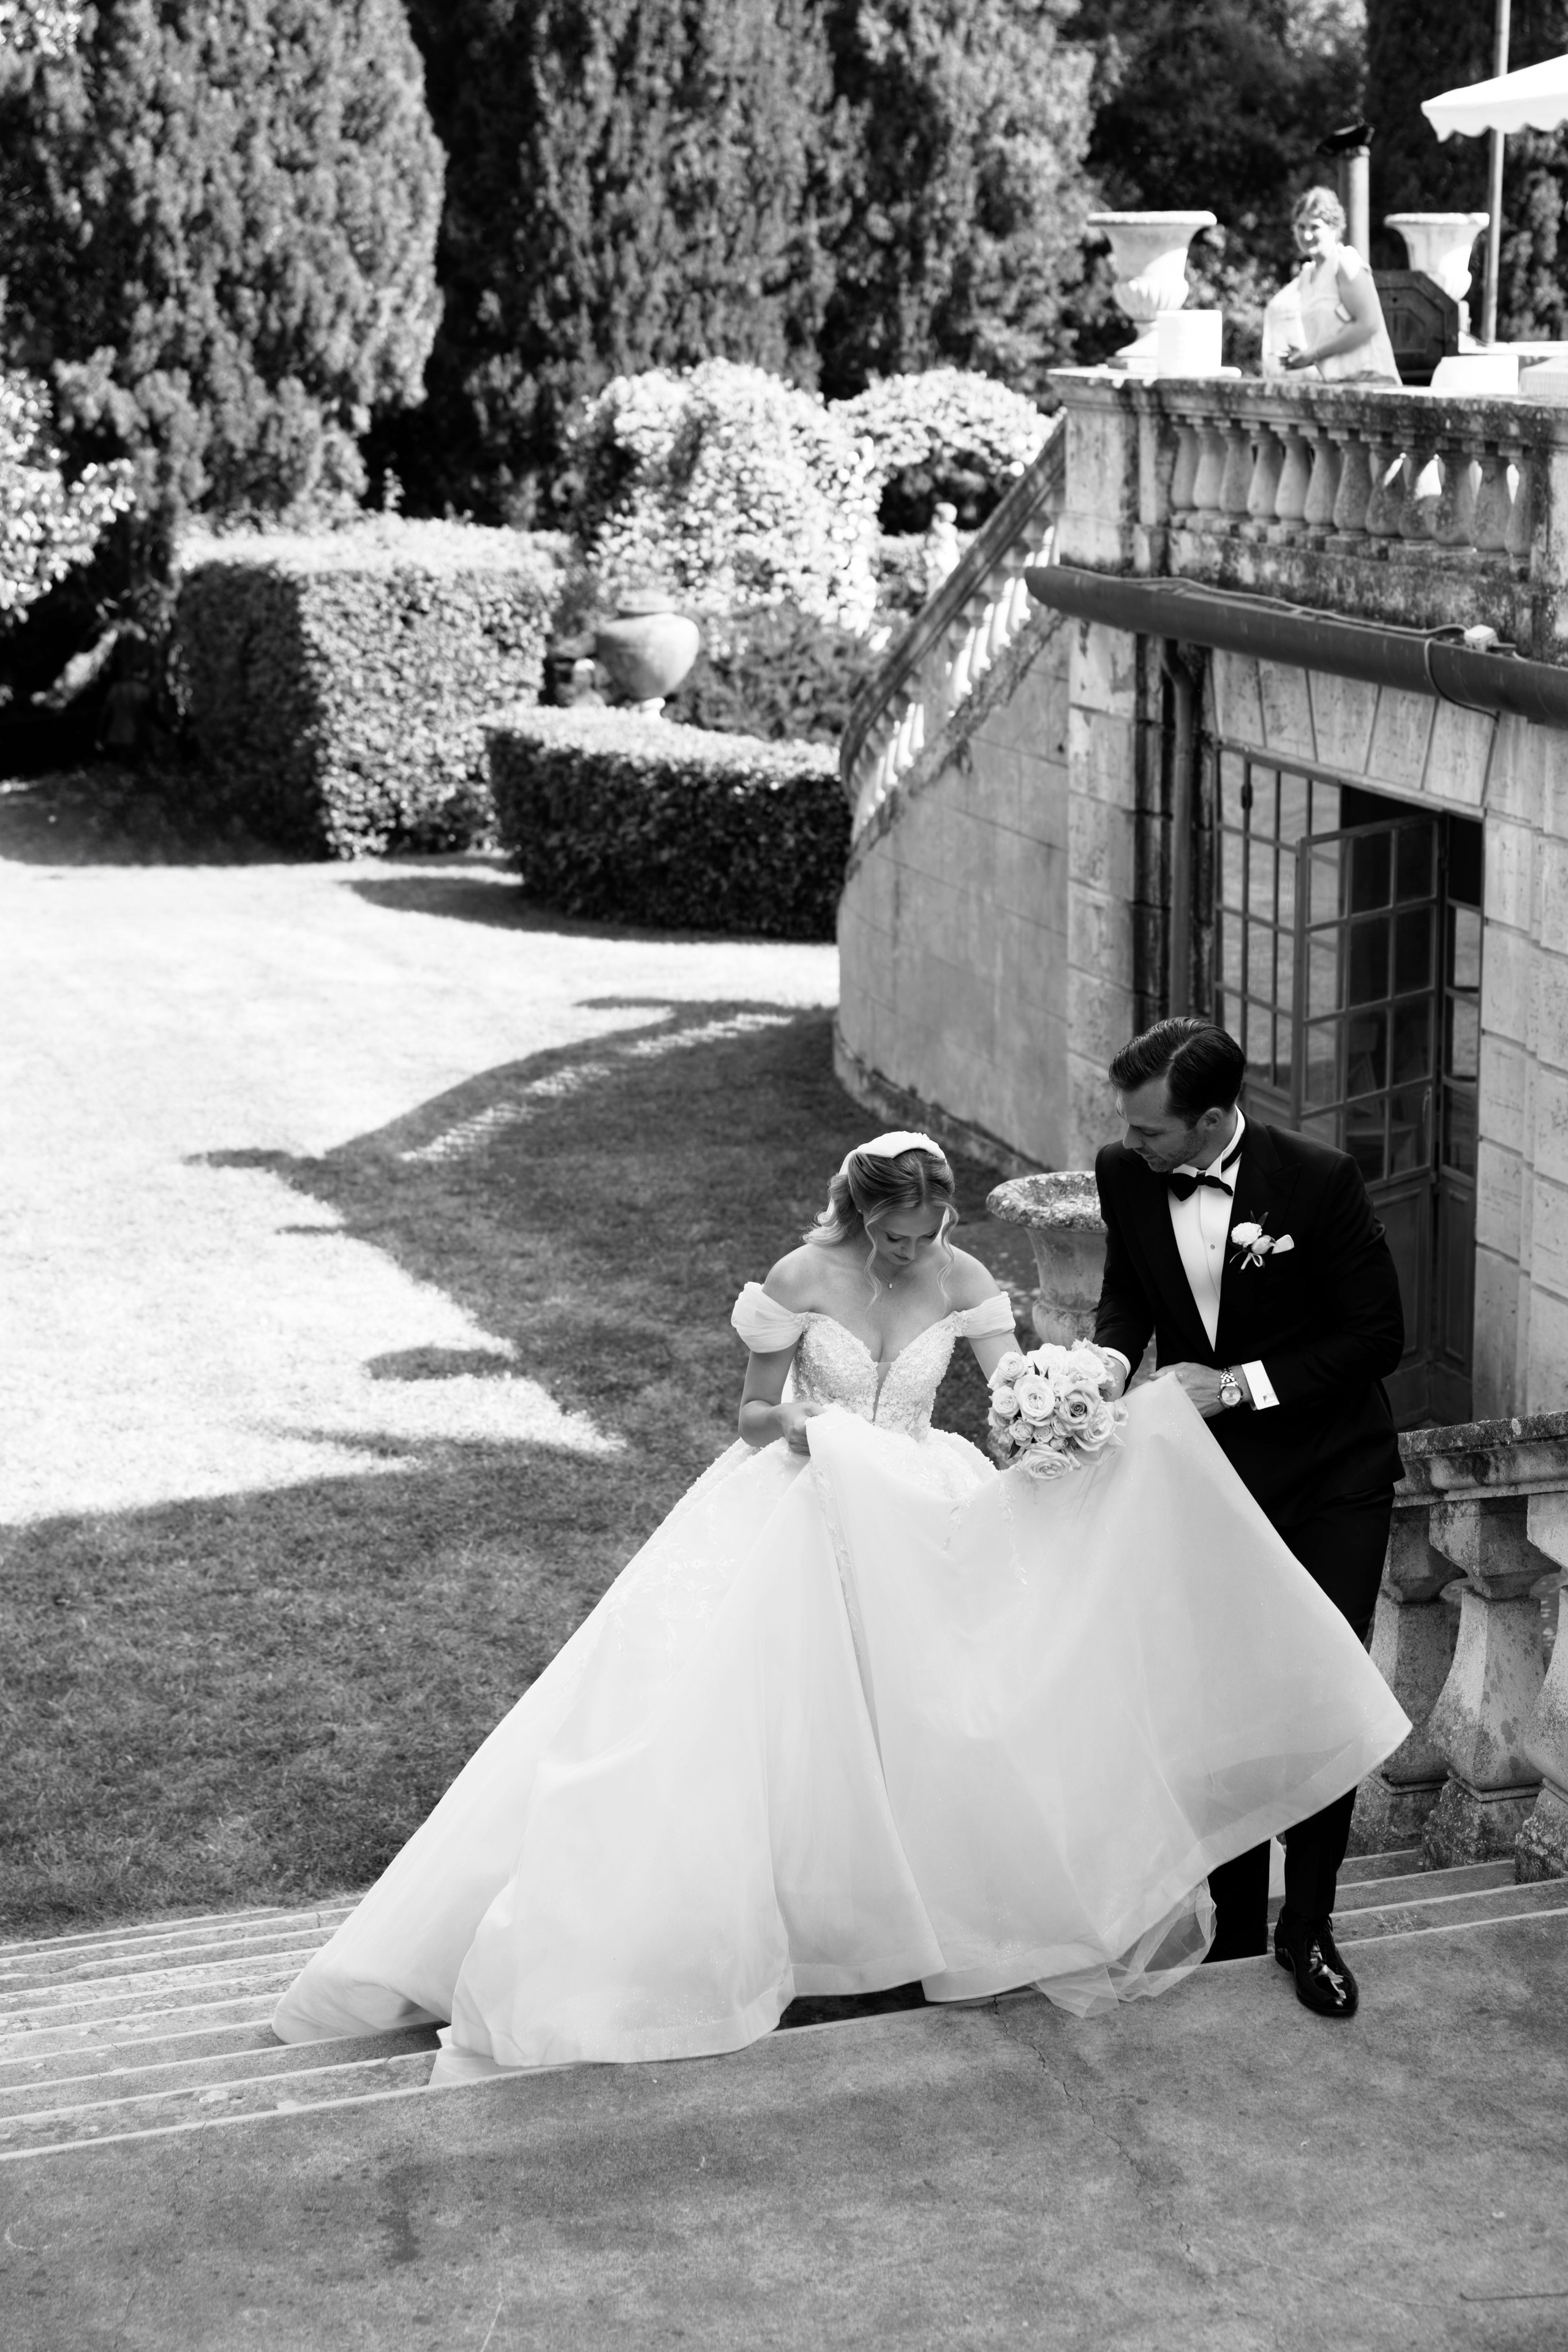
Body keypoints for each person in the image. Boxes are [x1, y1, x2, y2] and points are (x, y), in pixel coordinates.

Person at [273, 1131, 1407, 2074]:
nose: (914, 1250)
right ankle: (771, 1931)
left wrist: (1048, 1414)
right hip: (804, 1505)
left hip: (920, 1504)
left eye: (928, 1233)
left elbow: (1014, 1392)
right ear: (861, 1219)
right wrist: (818, 1431)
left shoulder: (964, 1282)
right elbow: (752, 1416)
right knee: (761, 1724)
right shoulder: (799, 1279)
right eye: (896, 1236)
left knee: (941, 1714)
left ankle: (919, 1923)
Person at [1092, 1020, 1407, 2018]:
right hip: (1205, 1481)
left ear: (1216, 1117)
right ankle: (1232, 1913)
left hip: (1330, 1474)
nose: (1134, 1145)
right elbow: (1126, 1298)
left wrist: (1238, 1387)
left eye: (1152, 1130)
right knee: (1219, 1692)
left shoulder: (1318, 1183)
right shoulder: (1124, 1172)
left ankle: (1306, 1926)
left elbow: (1377, 1337)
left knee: (1314, 1683)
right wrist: (1098, 1369)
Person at [1262, 186, 1401, 385]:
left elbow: (1369, 323)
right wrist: (1304, 356)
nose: (1307, 235)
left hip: (1371, 382)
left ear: (1334, 228)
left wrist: (1315, 353)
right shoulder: (1307, 276)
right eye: (1301, 227)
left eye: (1315, 227)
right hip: (1338, 385)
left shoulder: (1345, 263)